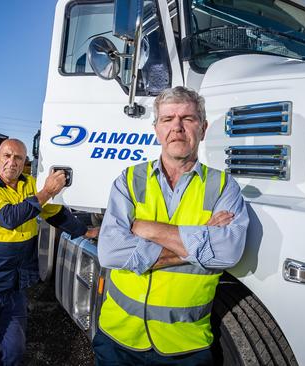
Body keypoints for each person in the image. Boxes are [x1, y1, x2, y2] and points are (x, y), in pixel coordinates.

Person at [94, 86, 249, 365]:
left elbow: (227, 252)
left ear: (202, 128)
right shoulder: (129, 180)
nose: (177, 127)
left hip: (185, 346)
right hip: (118, 339)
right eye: (167, 119)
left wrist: (147, 229)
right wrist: (196, 247)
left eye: (187, 119)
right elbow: (110, 252)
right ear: (156, 129)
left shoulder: (224, 187)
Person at [0, 138, 98, 366]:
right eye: (7, 155)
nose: (12, 162)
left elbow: (54, 213)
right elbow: (8, 218)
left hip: (14, 289)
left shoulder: (31, 184)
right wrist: (46, 192)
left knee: (14, 353)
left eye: (18, 158)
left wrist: (86, 231)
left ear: (25, 162)